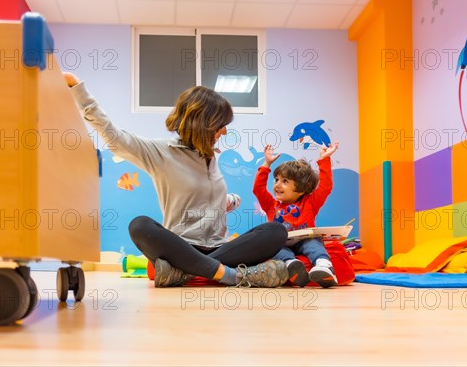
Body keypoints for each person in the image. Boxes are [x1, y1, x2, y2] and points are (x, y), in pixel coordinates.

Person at [63, 72, 289, 288]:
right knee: (140, 225)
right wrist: (77, 89)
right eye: (221, 125)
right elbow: (113, 135)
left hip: (220, 247)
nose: (225, 132)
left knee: (275, 231)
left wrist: (226, 201)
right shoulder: (161, 153)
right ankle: (230, 275)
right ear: (204, 124)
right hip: (182, 247)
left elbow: (202, 198)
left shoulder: (211, 157)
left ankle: (184, 272)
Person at [253, 142, 339, 288]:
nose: (277, 185)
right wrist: (266, 164)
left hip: (304, 239)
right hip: (281, 242)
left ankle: (324, 266)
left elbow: (326, 186)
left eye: (285, 181)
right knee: (273, 248)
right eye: (277, 180)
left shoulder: (310, 202)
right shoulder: (270, 205)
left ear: (301, 189)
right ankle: (292, 265)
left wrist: (324, 160)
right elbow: (258, 189)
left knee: (313, 244)